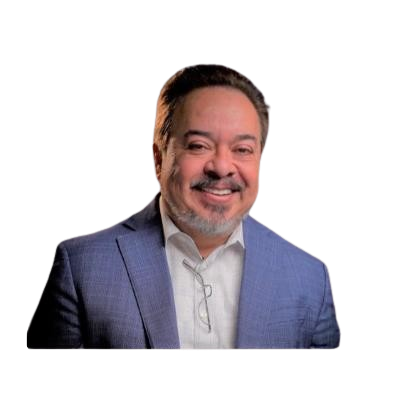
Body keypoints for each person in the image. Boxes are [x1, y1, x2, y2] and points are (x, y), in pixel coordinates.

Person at [28, 64, 340, 349]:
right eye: (198, 146)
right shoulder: (81, 269)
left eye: (242, 149)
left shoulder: (311, 279)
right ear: (158, 158)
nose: (221, 167)